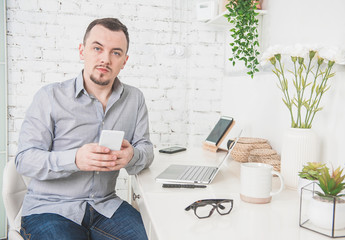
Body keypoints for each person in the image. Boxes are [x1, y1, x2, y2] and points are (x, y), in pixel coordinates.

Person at [15, 18, 154, 240]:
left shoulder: (135, 99)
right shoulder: (49, 96)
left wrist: (132, 155)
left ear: (125, 61)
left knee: (153, 235)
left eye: (116, 53)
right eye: (97, 48)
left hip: (105, 205)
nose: (105, 59)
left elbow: (145, 148)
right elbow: (24, 159)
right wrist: (75, 160)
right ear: (82, 51)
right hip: (49, 209)